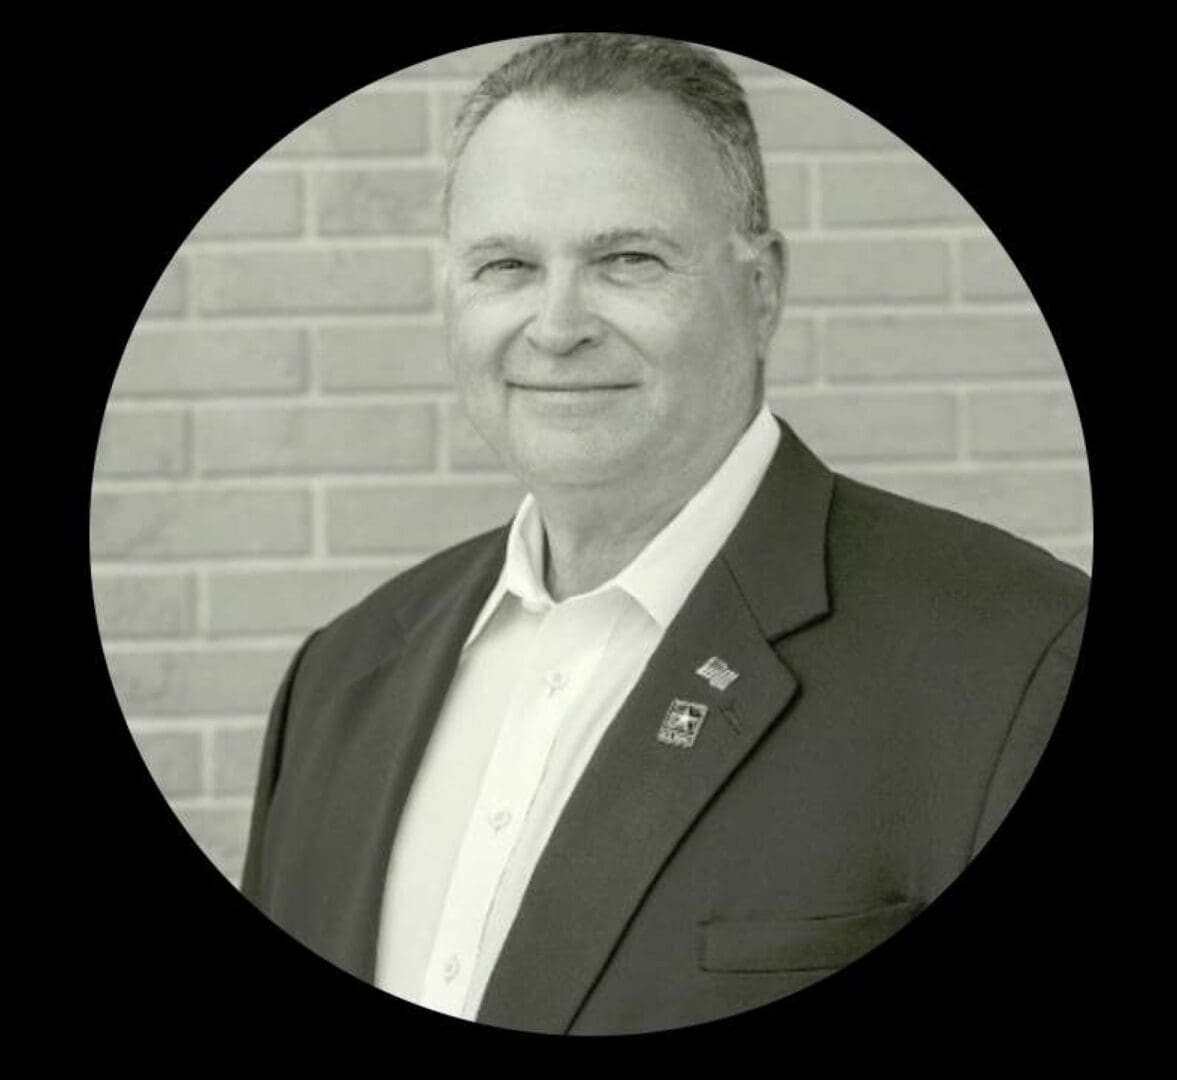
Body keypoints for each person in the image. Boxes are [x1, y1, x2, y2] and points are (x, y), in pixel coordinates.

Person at [240, 33, 1089, 1035]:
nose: (556, 325)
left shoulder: (1008, 658)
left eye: (627, 259)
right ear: (449, 296)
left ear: (760, 288)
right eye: (506, 264)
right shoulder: (341, 681)